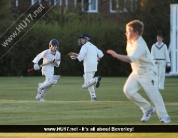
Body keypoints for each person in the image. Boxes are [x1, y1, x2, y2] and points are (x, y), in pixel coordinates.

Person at [107, 20, 171, 123]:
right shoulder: (129, 41)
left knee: (154, 95)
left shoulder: (140, 44)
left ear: (136, 32)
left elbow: (130, 58)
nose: (126, 33)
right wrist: (117, 56)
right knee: (128, 90)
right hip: (136, 72)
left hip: (147, 72)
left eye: (128, 31)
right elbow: (129, 59)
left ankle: (164, 117)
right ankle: (147, 108)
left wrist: (116, 55)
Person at [71, 33, 104, 101]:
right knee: (89, 82)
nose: (81, 40)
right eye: (81, 39)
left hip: (88, 66)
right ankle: (93, 97)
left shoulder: (84, 47)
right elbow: (101, 54)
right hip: (94, 66)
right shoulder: (93, 46)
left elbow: (80, 57)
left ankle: (96, 79)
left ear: (86, 39)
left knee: (85, 85)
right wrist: (97, 59)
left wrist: (75, 56)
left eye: (83, 39)